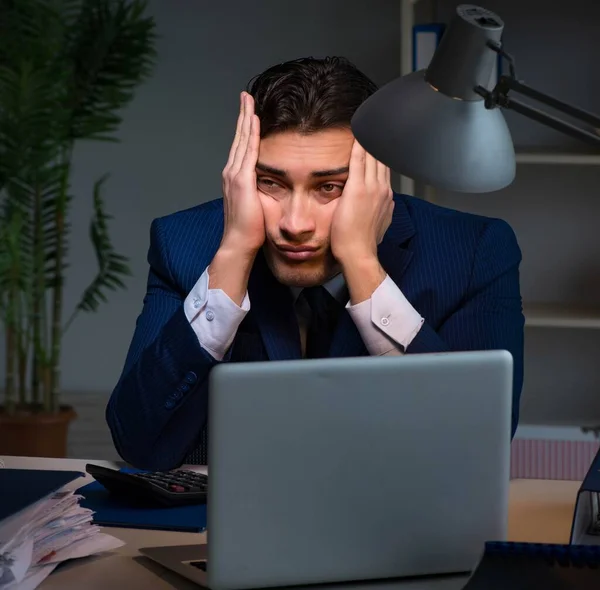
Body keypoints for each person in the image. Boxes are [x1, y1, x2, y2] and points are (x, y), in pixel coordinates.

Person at [106, 56, 525, 471]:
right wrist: (233, 253)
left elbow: (475, 449)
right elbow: (140, 444)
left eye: (329, 187)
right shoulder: (183, 244)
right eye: (270, 183)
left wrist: (363, 264)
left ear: (377, 182)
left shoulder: (475, 251)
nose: (295, 224)